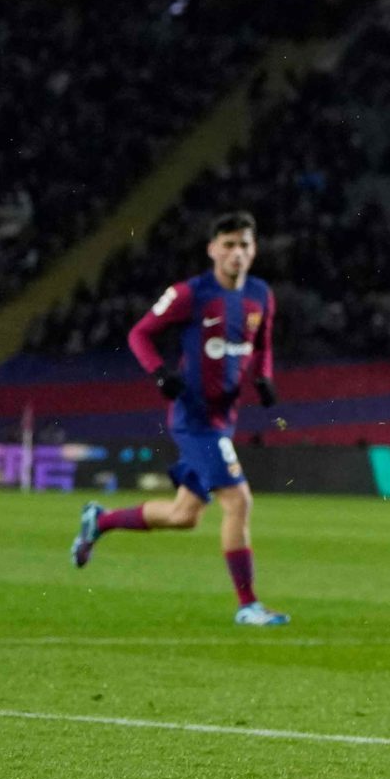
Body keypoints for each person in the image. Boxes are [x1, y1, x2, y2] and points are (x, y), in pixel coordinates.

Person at [70, 212, 288, 627]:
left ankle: (99, 520)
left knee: (183, 515)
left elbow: (263, 343)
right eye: (228, 244)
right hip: (194, 418)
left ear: (254, 249)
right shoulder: (190, 293)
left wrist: (264, 376)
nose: (237, 253)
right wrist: (158, 372)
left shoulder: (261, 294)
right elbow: (139, 333)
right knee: (238, 502)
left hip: (225, 418)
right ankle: (248, 605)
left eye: (244, 244)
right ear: (212, 250)